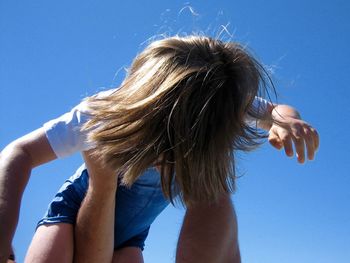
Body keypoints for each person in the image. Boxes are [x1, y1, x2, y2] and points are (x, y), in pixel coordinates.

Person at [0, 35, 319, 263]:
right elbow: (20, 153)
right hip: (72, 209)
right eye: (168, 134)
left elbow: (275, 109)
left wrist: (288, 121)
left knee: (212, 187)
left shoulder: (221, 102)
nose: (173, 154)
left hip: (133, 234)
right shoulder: (104, 112)